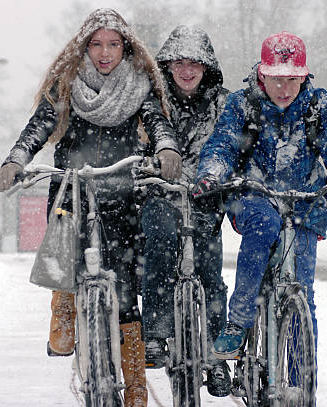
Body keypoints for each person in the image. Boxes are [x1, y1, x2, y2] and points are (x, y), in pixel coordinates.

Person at [0, 9, 181, 407]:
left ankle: (133, 388)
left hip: (122, 191)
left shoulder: (139, 84)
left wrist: (166, 148)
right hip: (72, 191)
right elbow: (39, 126)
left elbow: (158, 120)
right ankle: (63, 305)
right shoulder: (67, 86)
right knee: (64, 250)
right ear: (84, 47)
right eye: (96, 44)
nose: (105, 53)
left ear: (126, 48)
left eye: (113, 44)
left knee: (127, 289)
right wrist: (16, 158)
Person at [193, 32, 327, 361]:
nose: (284, 89)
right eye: (276, 80)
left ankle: (299, 380)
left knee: (303, 293)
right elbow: (221, 146)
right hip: (254, 194)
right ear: (261, 74)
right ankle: (239, 321)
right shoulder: (243, 105)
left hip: (306, 201)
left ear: (305, 76)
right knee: (263, 227)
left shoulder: (319, 107)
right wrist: (209, 178)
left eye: (292, 80)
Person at [138, 25, 231, 397]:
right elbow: (138, 142)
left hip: (206, 198)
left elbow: (236, 144)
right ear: (168, 65)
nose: (187, 70)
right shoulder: (151, 102)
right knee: (159, 244)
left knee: (210, 271)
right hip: (160, 194)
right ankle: (156, 331)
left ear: (206, 67)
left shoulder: (224, 103)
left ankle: (214, 355)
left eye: (195, 63)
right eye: (180, 62)